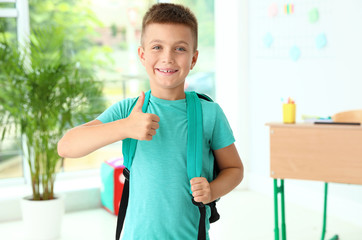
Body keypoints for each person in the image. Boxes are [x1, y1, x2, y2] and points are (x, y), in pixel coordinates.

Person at [57, 3, 244, 240]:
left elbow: (234, 169)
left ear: (193, 58)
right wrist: (124, 127)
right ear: (142, 55)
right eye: (157, 47)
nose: (167, 58)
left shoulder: (210, 113)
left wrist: (212, 190)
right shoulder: (127, 111)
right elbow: (66, 146)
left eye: (180, 49)